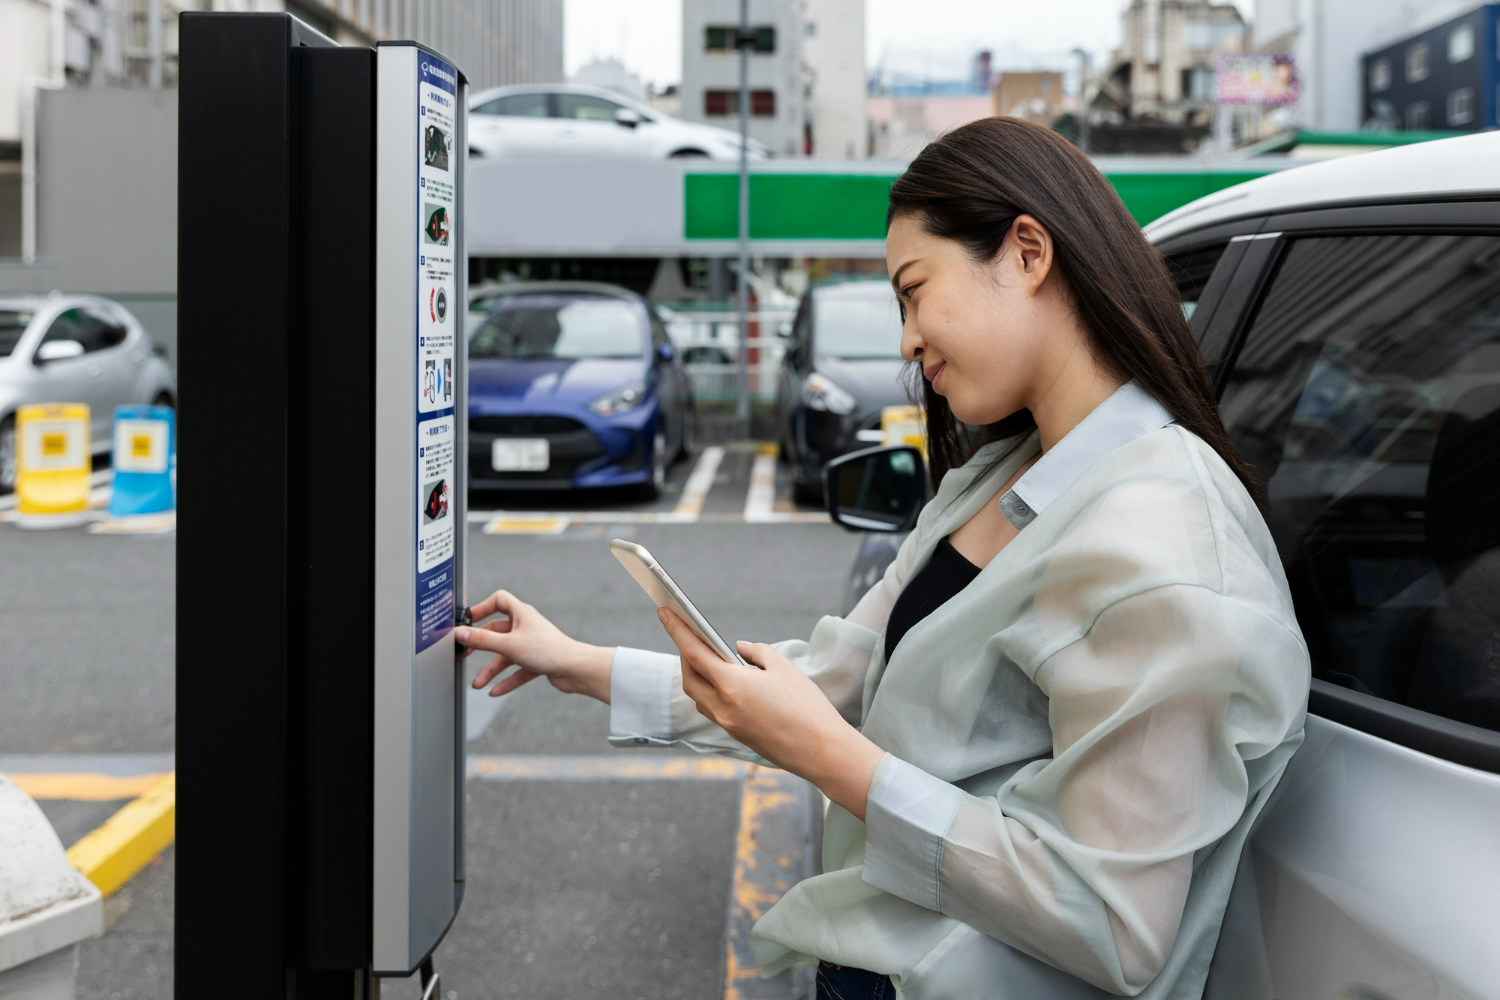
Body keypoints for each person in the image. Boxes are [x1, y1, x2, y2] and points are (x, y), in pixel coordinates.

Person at [452, 117, 1309, 999]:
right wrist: (576, 662)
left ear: (1026, 253)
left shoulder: (1166, 546)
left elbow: (1111, 922)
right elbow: (832, 679)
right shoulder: (1002, 477)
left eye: (913, 291)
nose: (905, 339)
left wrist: (834, 761)